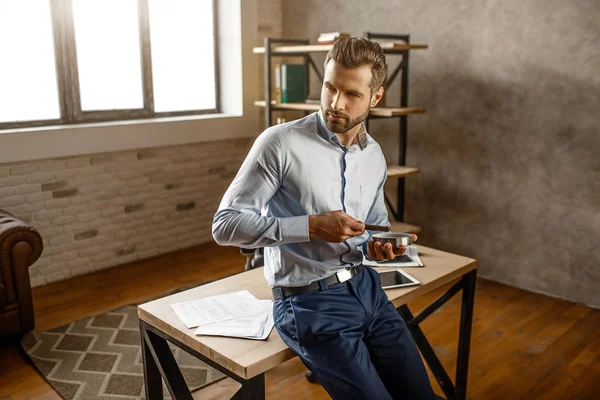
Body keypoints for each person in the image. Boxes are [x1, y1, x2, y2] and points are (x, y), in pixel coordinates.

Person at [212, 37, 436, 400]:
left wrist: (378, 248)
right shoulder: (279, 143)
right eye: (330, 87)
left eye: (352, 94)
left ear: (375, 97)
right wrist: (311, 226)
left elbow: (373, 226)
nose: (335, 103)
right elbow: (224, 225)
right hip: (307, 304)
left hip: (367, 290)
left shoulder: (374, 155)